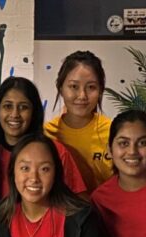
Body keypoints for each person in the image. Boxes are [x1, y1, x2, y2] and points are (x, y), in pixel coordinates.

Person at [0, 76, 86, 198]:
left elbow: (80, 204)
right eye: (8, 106)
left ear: (34, 112)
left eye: (23, 107)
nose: (14, 114)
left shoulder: (55, 152)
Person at [44, 50, 112, 191]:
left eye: (91, 87)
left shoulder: (113, 133)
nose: (82, 96)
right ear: (61, 88)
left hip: (107, 210)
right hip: (63, 211)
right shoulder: (47, 134)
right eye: (74, 86)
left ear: (100, 90)